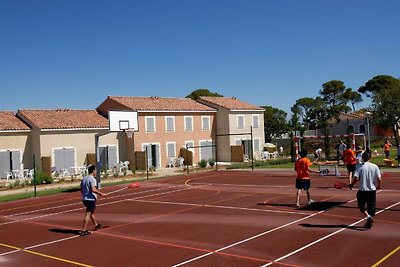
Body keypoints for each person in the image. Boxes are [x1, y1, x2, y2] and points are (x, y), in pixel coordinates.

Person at [349, 151, 382, 229]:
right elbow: (379, 178)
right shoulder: (375, 166)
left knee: (361, 206)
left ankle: (368, 217)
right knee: (371, 205)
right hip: (372, 190)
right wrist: (378, 186)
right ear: (370, 157)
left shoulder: (359, 166)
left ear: (362, 158)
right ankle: (369, 217)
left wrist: (351, 185)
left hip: (362, 190)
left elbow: (356, 178)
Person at [79, 165, 106, 236]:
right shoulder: (92, 179)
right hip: (90, 199)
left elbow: (81, 189)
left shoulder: (84, 178)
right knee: (88, 213)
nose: (96, 171)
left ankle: (96, 225)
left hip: (85, 199)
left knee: (91, 212)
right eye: (96, 170)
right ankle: (83, 230)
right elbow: (93, 189)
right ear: (93, 171)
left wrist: (85, 194)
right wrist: (101, 193)